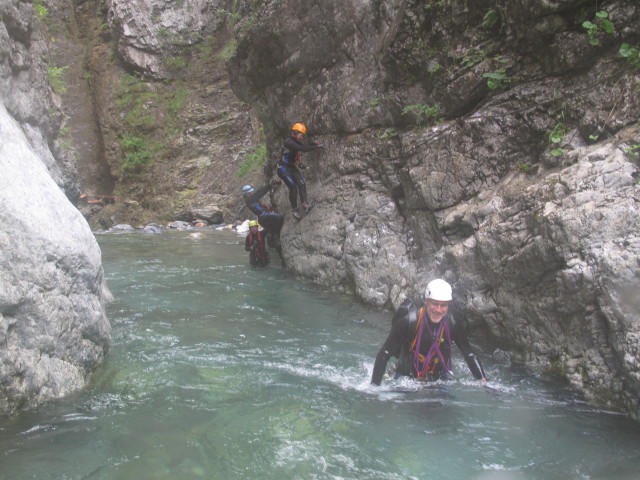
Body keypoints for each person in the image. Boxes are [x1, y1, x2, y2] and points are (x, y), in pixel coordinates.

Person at [371, 279, 487, 386]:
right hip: (407, 379)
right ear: (426, 301)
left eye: (443, 305)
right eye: (434, 304)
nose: (438, 309)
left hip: (438, 379)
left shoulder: (453, 323)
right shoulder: (408, 322)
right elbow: (384, 354)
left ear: (448, 305)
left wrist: (484, 382)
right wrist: (374, 387)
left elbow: (469, 355)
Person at [276, 122, 324, 220]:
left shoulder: (295, 141)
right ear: (295, 132)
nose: (302, 137)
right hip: (283, 169)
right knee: (293, 187)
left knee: (301, 183)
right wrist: (315, 147)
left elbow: (302, 146)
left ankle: (305, 204)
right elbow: (301, 148)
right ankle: (295, 210)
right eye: (301, 135)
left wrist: (313, 144)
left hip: (292, 167)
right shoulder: (288, 141)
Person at [242, 181, 284, 263]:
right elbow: (260, 192)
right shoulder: (250, 199)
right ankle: (276, 235)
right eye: (251, 192)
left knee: (271, 228)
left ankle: (274, 239)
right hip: (263, 217)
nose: (252, 192)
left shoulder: (260, 234)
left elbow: (259, 193)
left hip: (263, 217)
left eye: (255, 227)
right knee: (279, 217)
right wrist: (269, 185)